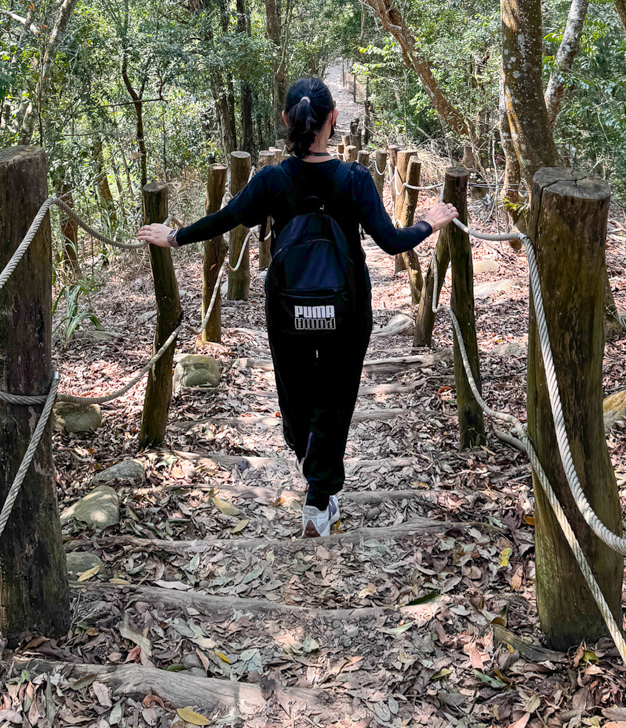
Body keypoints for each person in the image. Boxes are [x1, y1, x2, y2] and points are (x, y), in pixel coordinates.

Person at [138, 77, 457, 537]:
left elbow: (226, 219)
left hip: (288, 307)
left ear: (287, 120)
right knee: (336, 396)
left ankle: (308, 463)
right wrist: (432, 221)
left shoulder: (272, 180)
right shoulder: (355, 179)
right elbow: (391, 242)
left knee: (295, 393)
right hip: (346, 307)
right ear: (332, 120)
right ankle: (319, 496)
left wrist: (174, 236)